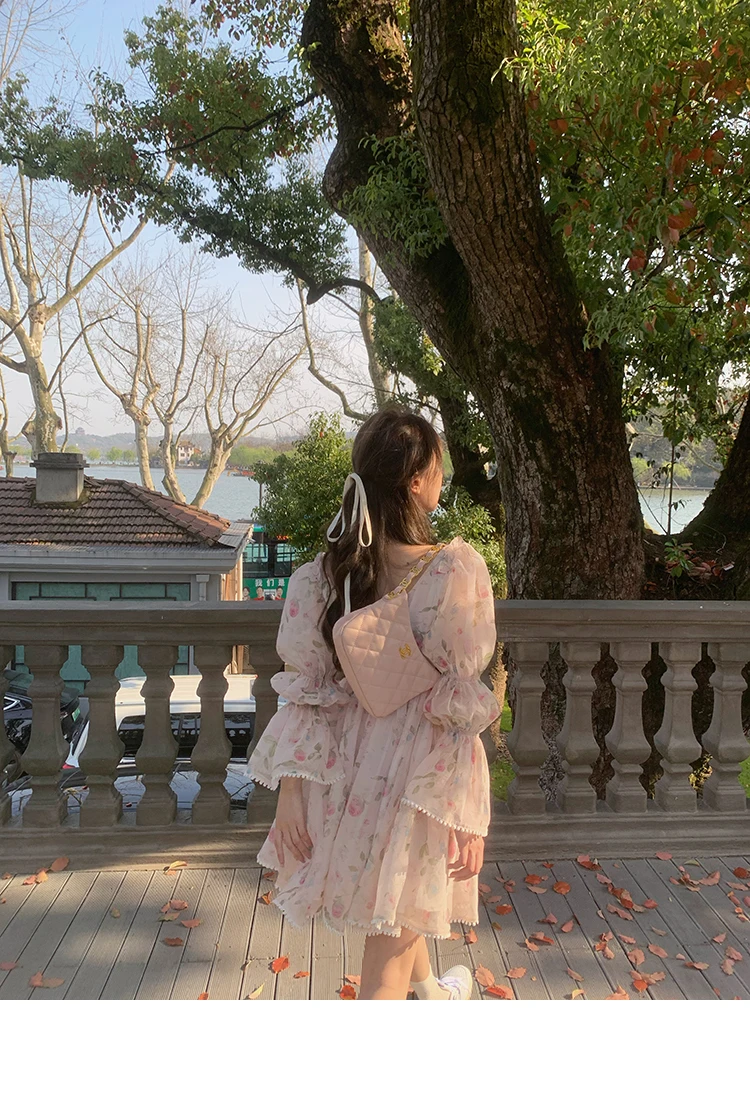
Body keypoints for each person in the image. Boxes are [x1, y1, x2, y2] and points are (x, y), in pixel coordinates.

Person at [246, 407, 500, 1000]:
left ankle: (433, 995)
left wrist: (291, 794)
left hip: (343, 773)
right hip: (416, 777)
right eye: (437, 467)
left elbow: (304, 696)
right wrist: (464, 812)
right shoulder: (455, 571)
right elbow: (458, 711)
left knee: (398, 905)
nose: (443, 478)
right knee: (390, 936)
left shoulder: (322, 575)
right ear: (415, 482)